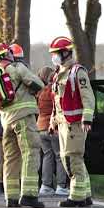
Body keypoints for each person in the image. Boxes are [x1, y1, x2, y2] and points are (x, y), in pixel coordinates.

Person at [0, 43, 45, 208]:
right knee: (30, 152)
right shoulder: (17, 67)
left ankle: (11, 197)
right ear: (7, 54)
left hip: (6, 121)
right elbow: (38, 83)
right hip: (23, 117)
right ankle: (29, 195)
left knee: (11, 158)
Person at [48, 37, 95, 207]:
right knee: (74, 159)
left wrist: (87, 118)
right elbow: (57, 101)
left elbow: (88, 96)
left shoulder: (77, 71)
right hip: (62, 123)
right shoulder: (58, 73)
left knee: (71, 159)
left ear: (66, 53)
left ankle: (76, 197)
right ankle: (86, 194)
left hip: (75, 124)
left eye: (55, 53)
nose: (53, 57)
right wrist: (53, 120)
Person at [36, 66, 69, 197]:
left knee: (47, 156)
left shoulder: (41, 91)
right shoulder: (54, 91)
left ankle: (45, 185)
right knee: (59, 157)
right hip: (53, 128)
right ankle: (61, 186)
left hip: (40, 128)